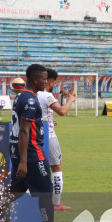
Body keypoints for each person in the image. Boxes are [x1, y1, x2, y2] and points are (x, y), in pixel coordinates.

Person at [0, 64, 71, 222]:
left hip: (18, 150)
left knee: (16, 190)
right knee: (45, 191)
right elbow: (24, 130)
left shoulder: (21, 96)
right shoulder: (31, 100)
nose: (46, 82)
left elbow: (27, 125)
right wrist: (24, 162)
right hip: (31, 152)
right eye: (44, 79)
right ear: (35, 80)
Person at [38, 68, 76, 211]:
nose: (55, 85)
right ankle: (57, 203)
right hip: (49, 137)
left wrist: (49, 121)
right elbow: (62, 111)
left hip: (36, 135)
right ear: (50, 81)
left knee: (38, 169)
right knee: (56, 167)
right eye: (55, 82)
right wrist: (70, 100)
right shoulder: (47, 95)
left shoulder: (34, 94)